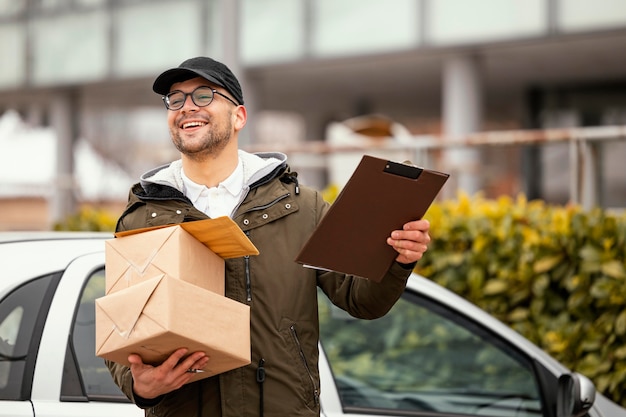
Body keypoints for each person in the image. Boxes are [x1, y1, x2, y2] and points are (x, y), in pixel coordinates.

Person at [106, 56, 432, 417]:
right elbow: (124, 326)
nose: (186, 108)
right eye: (175, 99)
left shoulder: (300, 207)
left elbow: (361, 300)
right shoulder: (143, 217)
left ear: (239, 116)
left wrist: (398, 261)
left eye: (203, 95)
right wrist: (139, 385)